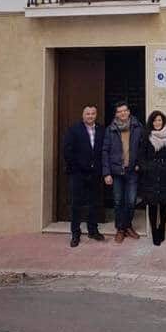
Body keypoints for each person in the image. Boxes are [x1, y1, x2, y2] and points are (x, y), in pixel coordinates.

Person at [63, 104, 106, 247]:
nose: (90, 116)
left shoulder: (101, 130)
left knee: (94, 203)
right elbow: (68, 151)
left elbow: (104, 151)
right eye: (88, 114)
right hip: (78, 174)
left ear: (96, 115)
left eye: (93, 113)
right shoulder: (74, 129)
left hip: (95, 173)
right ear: (83, 115)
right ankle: (75, 233)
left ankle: (93, 230)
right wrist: (77, 167)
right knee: (77, 204)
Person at [102, 101, 143, 243]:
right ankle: (120, 229)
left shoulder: (137, 127)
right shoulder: (110, 129)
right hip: (116, 171)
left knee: (131, 201)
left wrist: (139, 164)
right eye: (119, 111)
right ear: (116, 114)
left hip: (132, 171)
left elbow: (142, 148)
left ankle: (127, 226)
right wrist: (106, 173)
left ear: (129, 111)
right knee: (118, 202)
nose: (122, 113)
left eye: (125, 110)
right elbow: (105, 151)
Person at [138, 110, 166, 245]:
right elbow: (141, 155)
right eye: (155, 120)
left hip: (165, 173)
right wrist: (146, 167)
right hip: (151, 175)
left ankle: (162, 228)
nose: (157, 123)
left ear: (163, 121)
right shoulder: (146, 135)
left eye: (159, 120)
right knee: (152, 204)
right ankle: (154, 231)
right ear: (151, 122)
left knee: (164, 203)